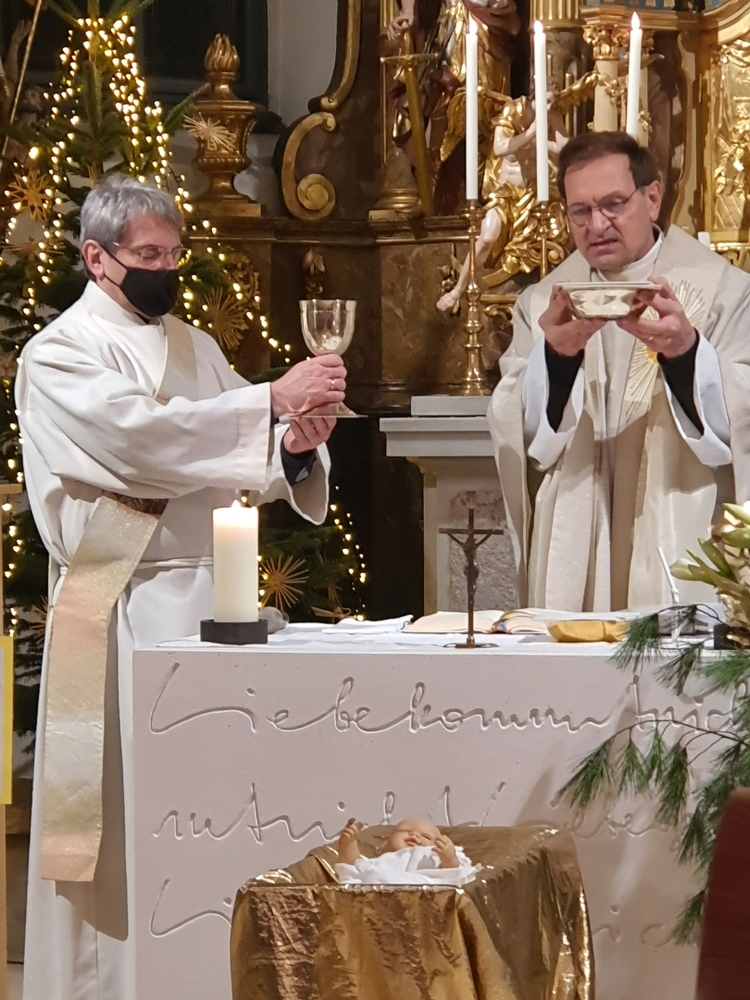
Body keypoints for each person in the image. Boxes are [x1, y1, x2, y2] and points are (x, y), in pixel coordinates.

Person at [16, 174, 347, 1000]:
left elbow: (233, 457)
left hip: (207, 599)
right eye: (149, 255)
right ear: (98, 259)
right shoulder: (58, 353)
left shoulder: (194, 345)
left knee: (207, 808)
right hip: (114, 604)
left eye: (174, 253)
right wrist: (270, 401)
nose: (167, 269)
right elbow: (144, 443)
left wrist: (292, 445)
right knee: (117, 827)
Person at [488, 130, 750, 612]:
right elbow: (525, 437)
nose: (597, 224)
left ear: (652, 199)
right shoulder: (541, 304)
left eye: (613, 204)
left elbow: (742, 419)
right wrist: (558, 359)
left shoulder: (725, 293)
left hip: (683, 526)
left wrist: (686, 353)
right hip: (577, 539)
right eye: (580, 211)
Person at [335, 817, 479, 886]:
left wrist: (449, 858)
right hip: (377, 891)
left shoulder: (433, 856)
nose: (415, 835)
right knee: (370, 874)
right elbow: (352, 869)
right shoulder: (380, 861)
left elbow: (454, 876)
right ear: (384, 844)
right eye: (405, 831)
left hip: (421, 892)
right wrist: (348, 844)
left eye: (426, 837)